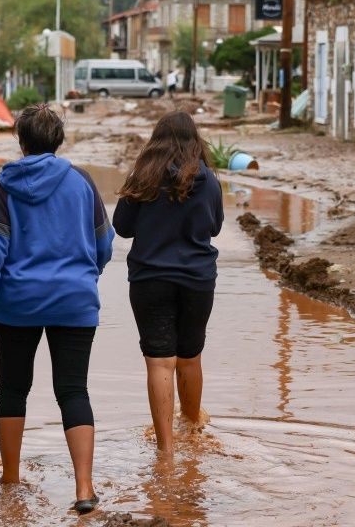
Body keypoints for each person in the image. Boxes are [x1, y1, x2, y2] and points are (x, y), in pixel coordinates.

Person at [0, 104, 113, 514]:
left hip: (17, 304)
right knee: (73, 391)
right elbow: (104, 243)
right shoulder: (82, 182)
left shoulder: (6, 185)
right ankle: (84, 488)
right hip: (75, 302)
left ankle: (10, 477)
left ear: (21, 142)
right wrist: (84, 276)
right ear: (58, 140)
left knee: (13, 388)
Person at [112, 111, 223, 460]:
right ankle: (192, 429)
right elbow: (215, 227)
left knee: (160, 363)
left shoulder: (143, 178)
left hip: (150, 278)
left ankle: (166, 450)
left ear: (155, 142)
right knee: (190, 357)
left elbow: (123, 228)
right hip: (197, 280)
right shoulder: (209, 180)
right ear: (196, 141)